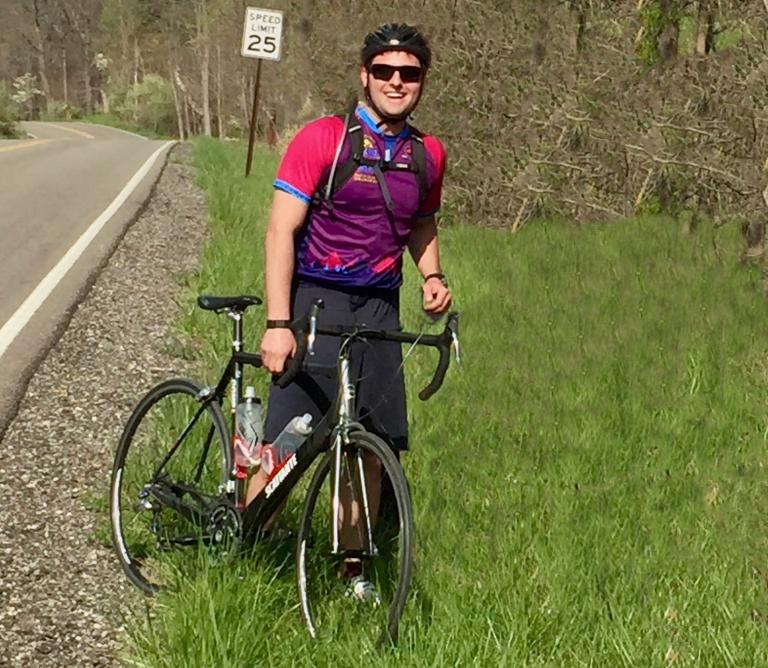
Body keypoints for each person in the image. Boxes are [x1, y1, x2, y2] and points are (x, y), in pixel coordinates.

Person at [250, 21, 452, 596]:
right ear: (364, 76)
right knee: (287, 441)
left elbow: (421, 222)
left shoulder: (427, 155)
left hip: (381, 309)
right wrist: (278, 323)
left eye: (408, 73)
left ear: (421, 82)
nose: (396, 82)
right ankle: (245, 543)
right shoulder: (323, 139)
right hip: (316, 299)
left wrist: (431, 275)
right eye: (384, 71)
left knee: (370, 445)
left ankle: (352, 573)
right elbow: (279, 232)